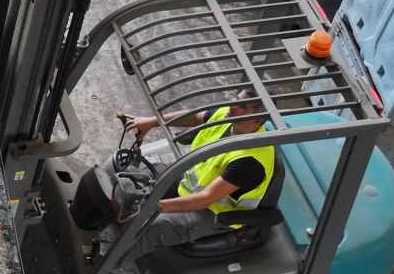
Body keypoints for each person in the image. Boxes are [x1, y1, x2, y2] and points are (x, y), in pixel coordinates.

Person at [100, 104, 275, 257]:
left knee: (152, 226)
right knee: (133, 180)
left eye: (243, 107)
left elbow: (205, 199)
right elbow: (195, 116)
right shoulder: (226, 114)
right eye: (237, 99)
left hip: (211, 212)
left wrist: (153, 206)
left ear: (256, 121)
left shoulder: (250, 161)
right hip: (187, 181)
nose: (234, 106)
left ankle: (102, 263)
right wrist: (152, 122)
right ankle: (99, 218)